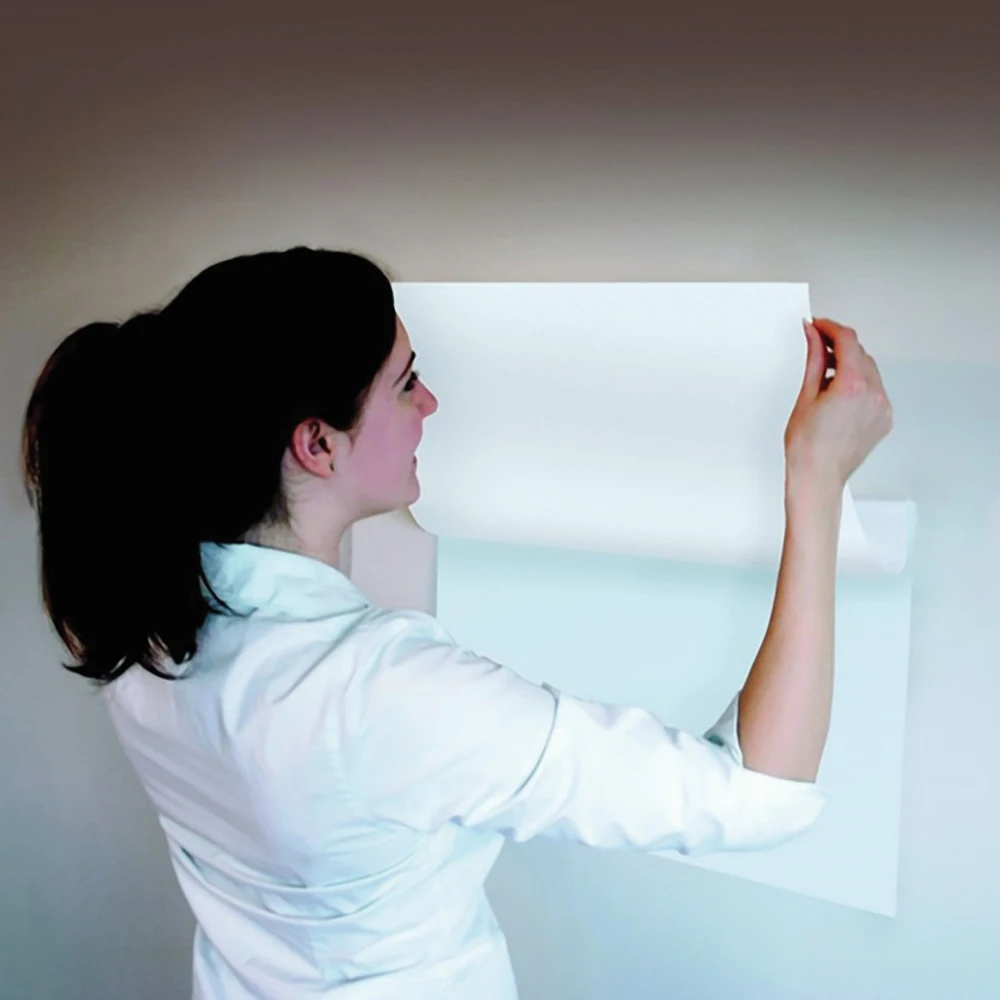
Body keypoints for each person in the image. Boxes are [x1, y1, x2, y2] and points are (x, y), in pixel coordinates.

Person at [19, 247, 893, 999]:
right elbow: (757, 799)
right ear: (317, 444)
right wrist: (816, 480)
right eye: (406, 383)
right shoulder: (385, 696)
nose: (430, 403)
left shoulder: (139, 633)